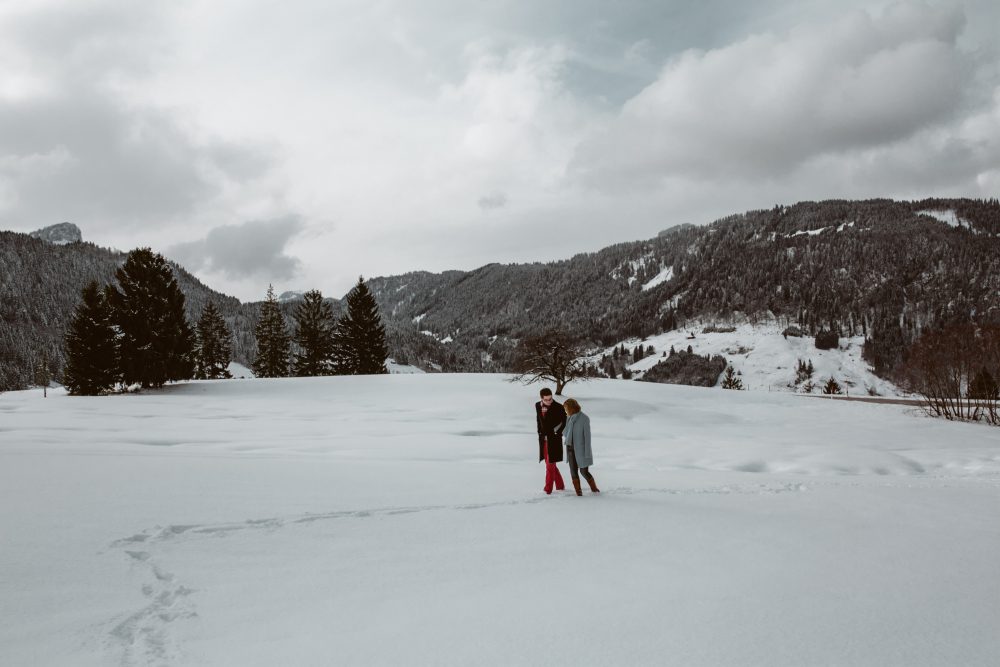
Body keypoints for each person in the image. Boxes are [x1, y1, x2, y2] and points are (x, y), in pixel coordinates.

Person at [562, 398, 599, 496]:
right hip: (570, 448)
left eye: (566, 408)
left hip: (581, 450)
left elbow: (587, 437)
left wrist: (587, 453)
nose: (565, 410)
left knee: (584, 472)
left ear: (571, 408)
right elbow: (565, 433)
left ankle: (594, 489)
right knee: (573, 471)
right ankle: (578, 493)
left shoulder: (584, 418)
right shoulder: (568, 418)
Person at [535, 387, 566, 494]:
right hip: (543, 440)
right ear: (542, 398)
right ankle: (560, 486)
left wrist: (557, 432)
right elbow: (539, 420)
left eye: (550, 398)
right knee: (550, 465)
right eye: (546, 399)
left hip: (554, 440)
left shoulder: (558, 407)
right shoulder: (537, 406)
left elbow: (564, 421)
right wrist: (539, 432)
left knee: (550, 465)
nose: (549, 401)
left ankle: (547, 490)